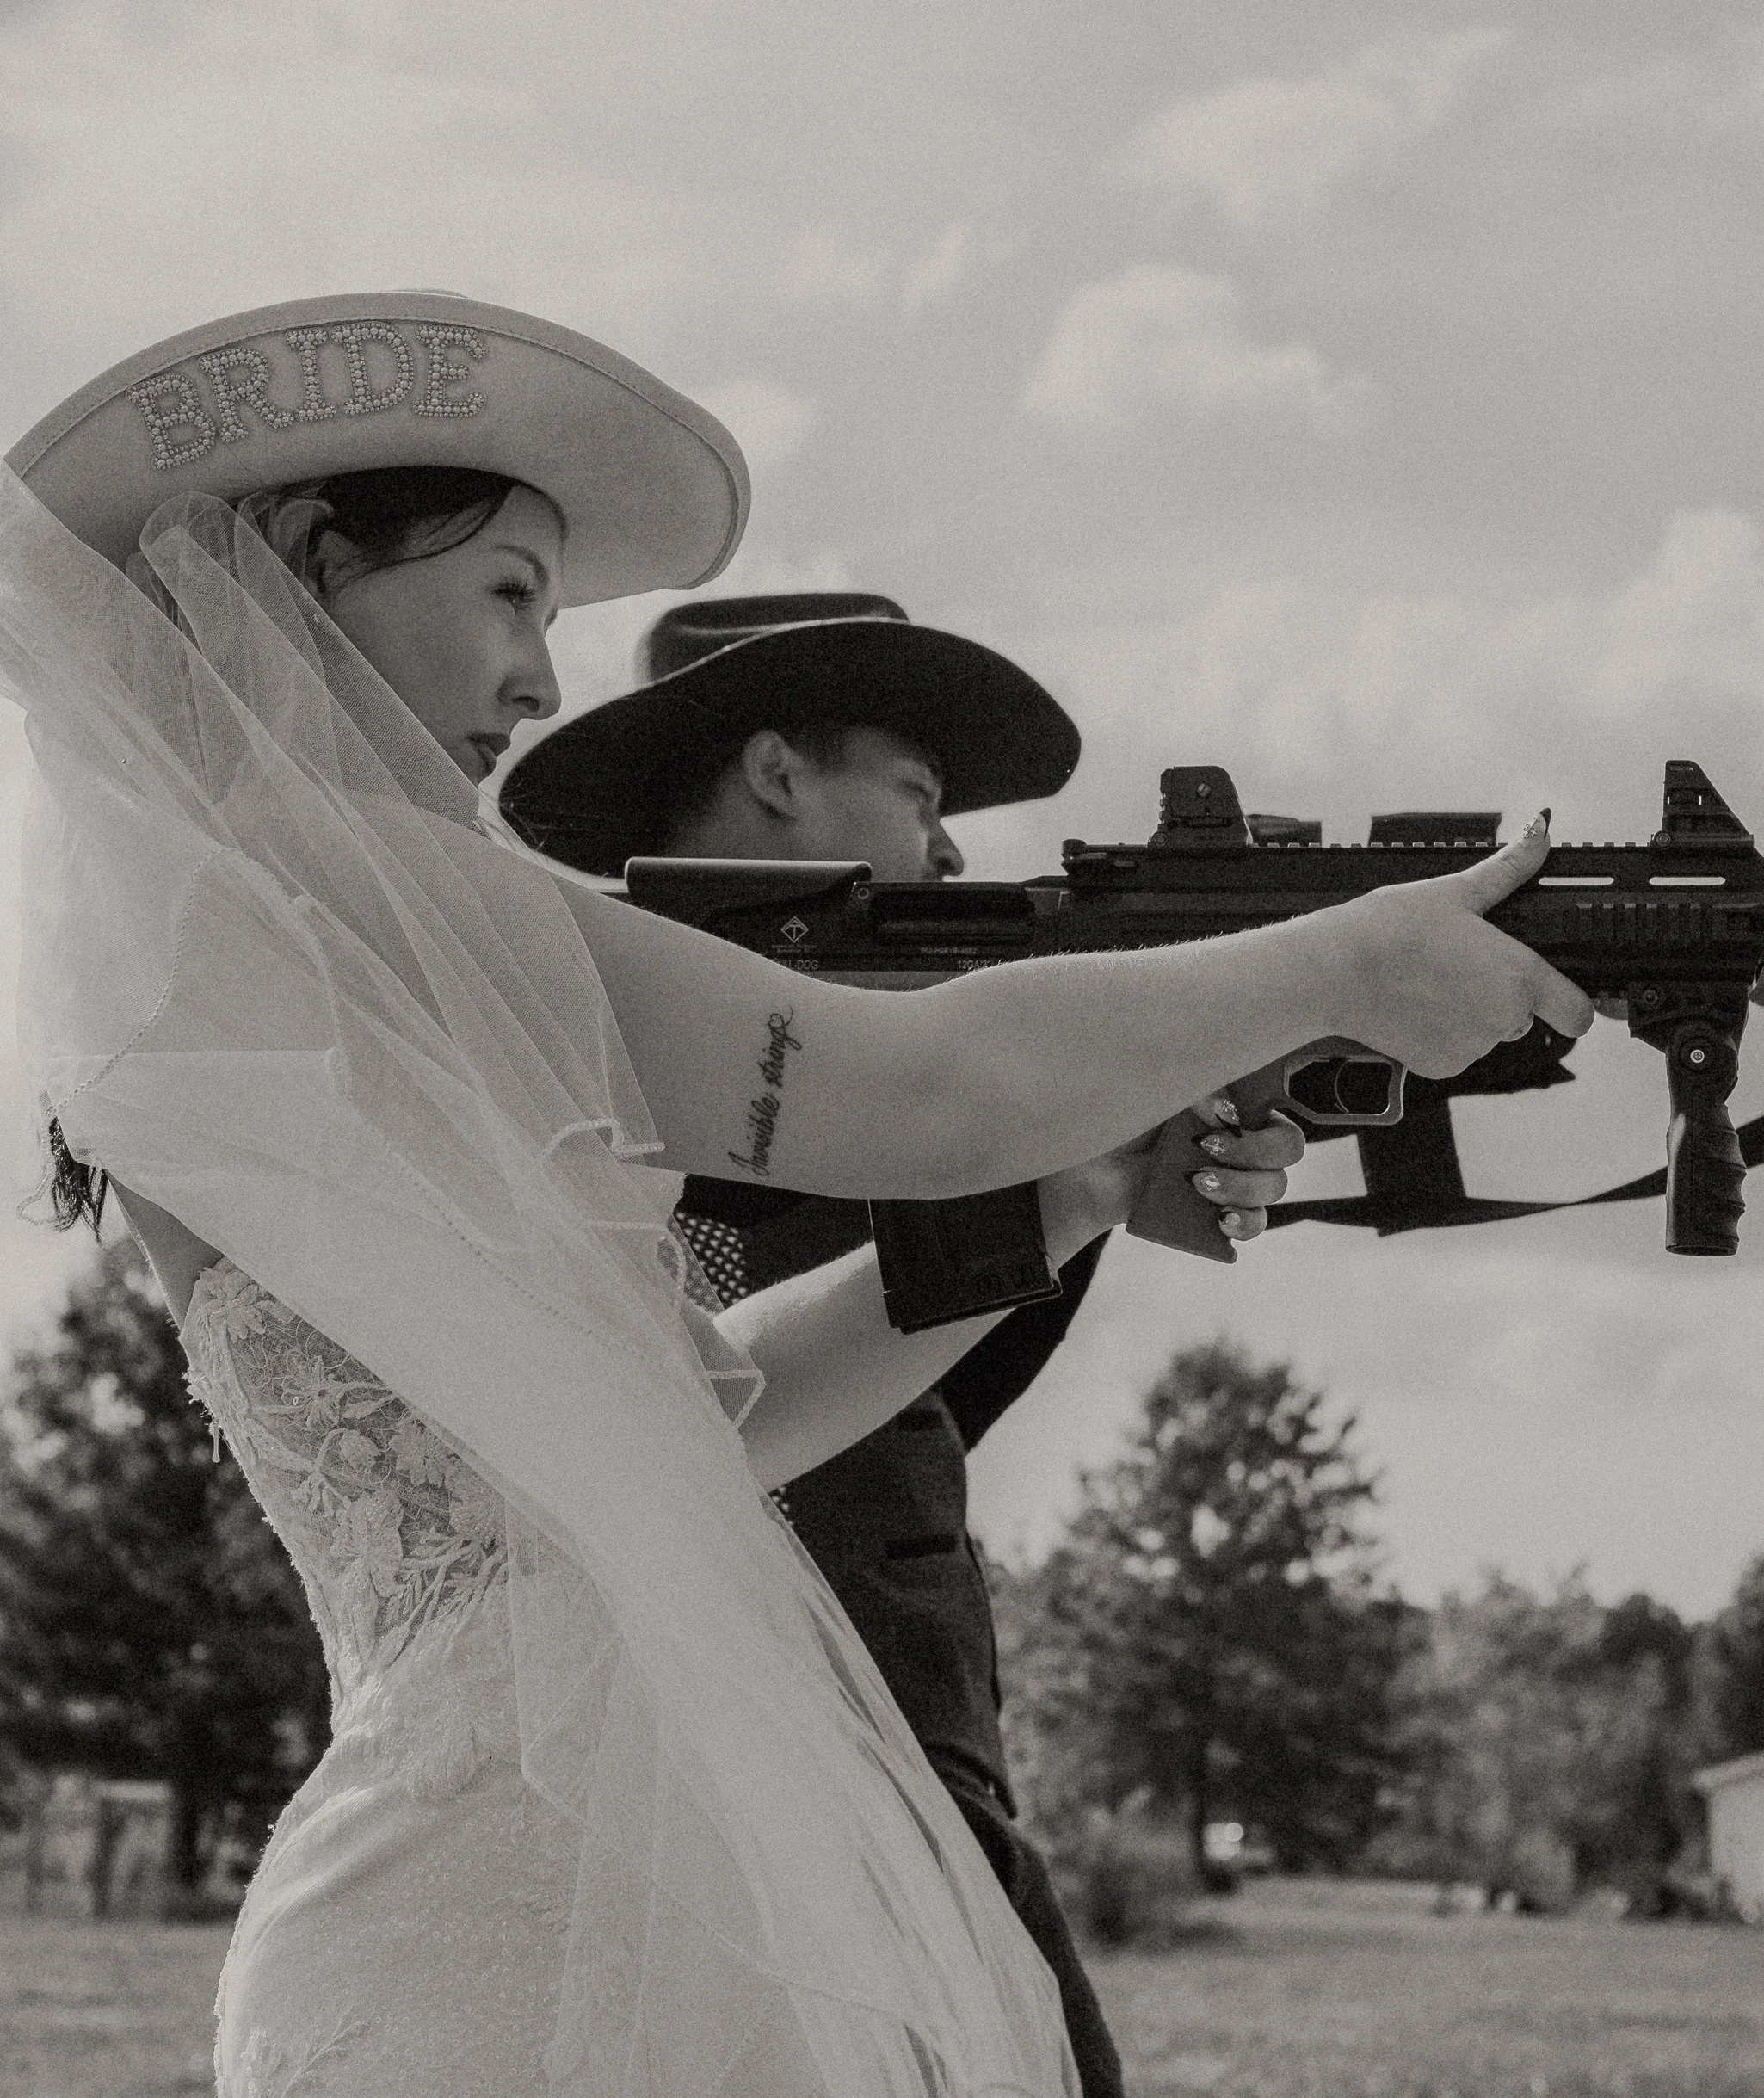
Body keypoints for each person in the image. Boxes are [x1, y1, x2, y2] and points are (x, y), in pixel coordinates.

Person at [1, 293, 1592, 2098]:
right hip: (512, 1928)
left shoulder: (301, 942)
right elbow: (907, 1090)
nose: (538, 678)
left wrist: (1075, 1191)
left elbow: (712, 1414)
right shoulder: (309, 890)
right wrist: (1348, 965)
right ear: (303, 558)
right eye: (511, 591)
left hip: (599, 1897)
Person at [497, 591, 1302, 2098]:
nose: (945, 851)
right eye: (918, 793)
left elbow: (927, 1392)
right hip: (760, 1776)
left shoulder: (853, 1070)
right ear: (779, 771)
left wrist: (1088, 1162)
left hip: (907, 1760)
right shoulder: (593, 1042)